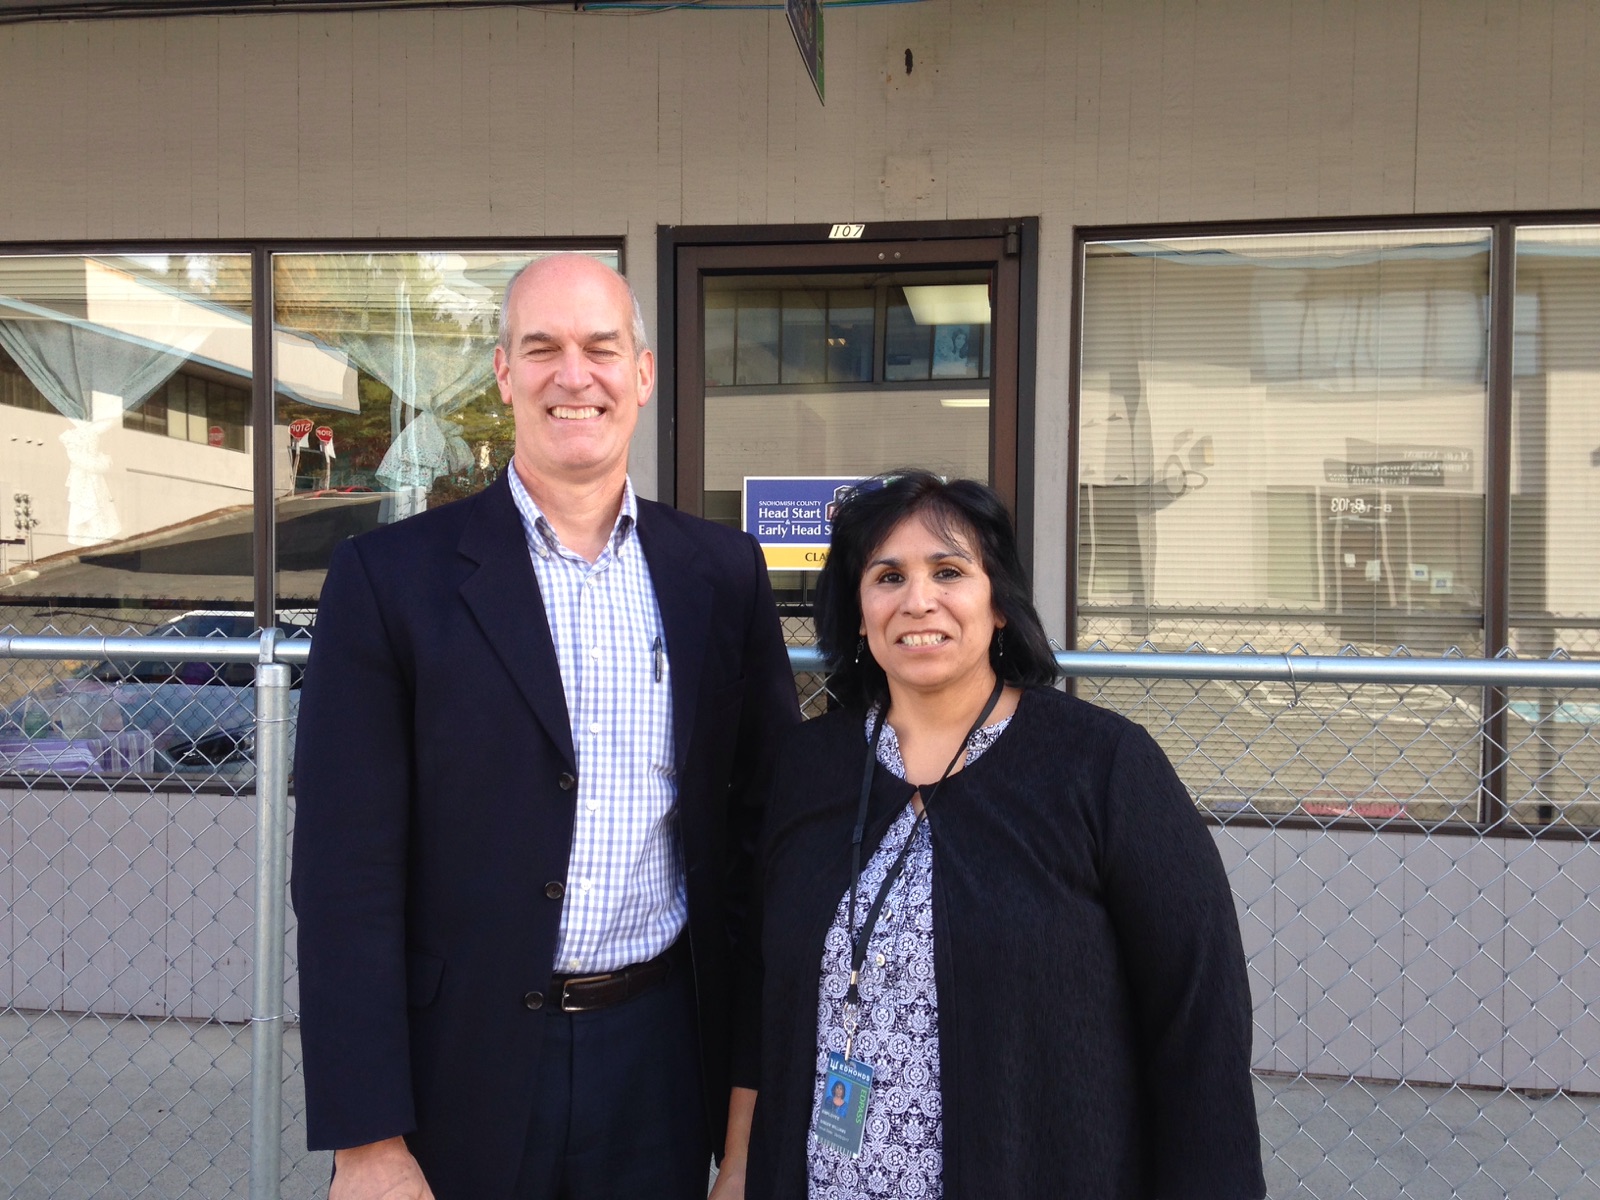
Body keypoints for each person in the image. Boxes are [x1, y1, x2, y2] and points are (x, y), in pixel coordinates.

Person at [291, 253, 800, 1200]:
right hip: (461, 1063)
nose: (576, 375)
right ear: (503, 374)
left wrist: (745, 1122)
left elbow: (757, 850)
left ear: (643, 374)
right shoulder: (387, 579)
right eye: (544, 349)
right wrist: (367, 1137)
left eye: (601, 348)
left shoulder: (722, 577)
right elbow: (342, 875)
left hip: (662, 1057)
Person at [713, 471, 1265, 1200]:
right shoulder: (807, 768)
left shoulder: (1102, 767)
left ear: (998, 601)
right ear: (858, 607)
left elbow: (1198, 1014)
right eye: (888, 576)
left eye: (948, 571)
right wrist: (740, 1167)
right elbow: (762, 988)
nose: (918, 600)